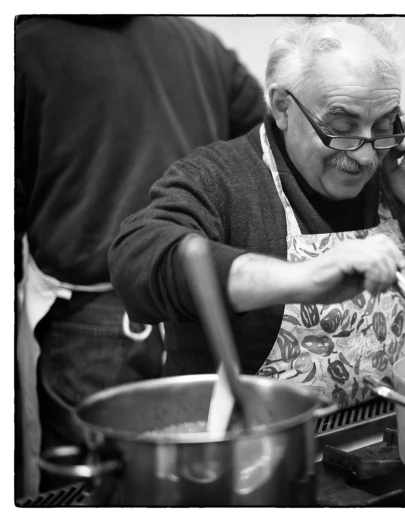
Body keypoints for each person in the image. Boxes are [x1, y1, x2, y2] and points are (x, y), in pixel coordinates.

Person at [109, 17, 405, 410]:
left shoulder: (398, 176)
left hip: (392, 443)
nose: (364, 155)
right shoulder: (220, 179)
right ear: (282, 107)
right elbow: (136, 259)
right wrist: (302, 279)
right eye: (341, 126)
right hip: (258, 456)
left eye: (382, 126)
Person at [15, 15, 266, 495]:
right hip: (197, 311)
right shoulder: (198, 41)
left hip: (99, 324)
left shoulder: (24, 47)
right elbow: (267, 146)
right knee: (194, 486)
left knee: (98, 492)